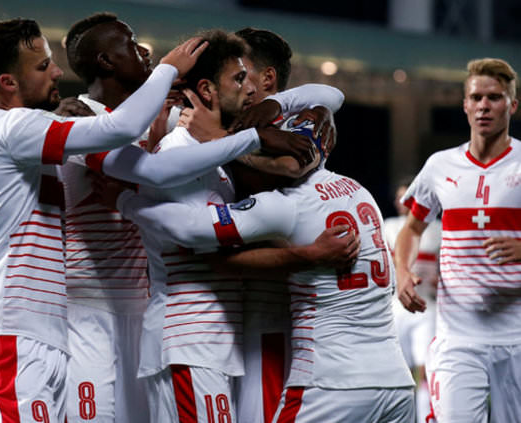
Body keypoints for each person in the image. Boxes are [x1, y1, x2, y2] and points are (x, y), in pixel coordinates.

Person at [60, 13, 339, 422]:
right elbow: (191, 224)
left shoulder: (199, 145)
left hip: (192, 332)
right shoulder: (114, 130)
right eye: (239, 79)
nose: (251, 89)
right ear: (207, 89)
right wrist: (303, 250)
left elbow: (329, 96)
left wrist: (276, 110)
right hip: (151, 325)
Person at [0, 17, 206, 422]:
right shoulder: (16, 126)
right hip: (15, 328)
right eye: (42, 66)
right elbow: (121, 126)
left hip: (35, 329)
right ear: (8, 82)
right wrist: (168, 69)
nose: (56, 72)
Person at [115, 112, 416, 422]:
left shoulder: (284, 204)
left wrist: (125, 200)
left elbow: (191, 228)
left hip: (332, 381)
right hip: (397, 382)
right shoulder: (357, 189)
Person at [178, 27, 341, 423]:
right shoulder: (214, 120)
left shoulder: (301, 118)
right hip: (218, 313)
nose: (236, 81)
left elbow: (291, 165)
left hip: (276, 308)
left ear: (267, 78)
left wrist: (219, 140)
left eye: (241, 72)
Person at [394, 58, 521, 423]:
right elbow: (412, 229)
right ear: (465, 105)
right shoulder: (440, 165)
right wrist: (402, 272)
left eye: (494, 97)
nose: (484, 106)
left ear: (512, 105)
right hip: (457, 337)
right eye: (476, 98)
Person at [383, 178, 441, 423]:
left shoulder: (437, 229)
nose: (401, 202)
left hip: (427, 307)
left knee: (426, 369)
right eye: (399, 197)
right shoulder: (388, 226)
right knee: (399, 372)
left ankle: (426, 417)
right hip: (395, 308)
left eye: (407, 197)